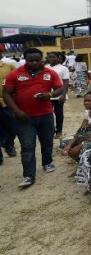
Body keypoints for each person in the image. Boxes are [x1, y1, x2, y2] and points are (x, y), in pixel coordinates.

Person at [2, 48, 63, 187]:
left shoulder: (50, 73)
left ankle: (47, 162)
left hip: (46, 115)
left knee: (47, 142)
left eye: (37, 60)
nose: (34, 63)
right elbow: (6, 94)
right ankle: (29, 175)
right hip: (24, 118)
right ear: (25, 60)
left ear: (42, 59)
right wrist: (17, 112)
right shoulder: (15, 74)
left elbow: (59, 88)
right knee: (27, 146)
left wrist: (49, 95)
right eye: (30, 60)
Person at [46, 52, 70, 139]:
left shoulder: (63, 68)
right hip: (47, 95)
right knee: (48, 114)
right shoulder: (45, 68)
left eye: (53, 57)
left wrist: (63, 94)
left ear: (58, 58)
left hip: (59, 95)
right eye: (49, 57)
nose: (51, 59)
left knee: (58, 113)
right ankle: (50, 130)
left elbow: (66, 82)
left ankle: (59, 131)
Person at [0, 58, 18, 161]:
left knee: (13, 128)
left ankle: (8, 144)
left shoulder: (9, 66)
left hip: (7, 102)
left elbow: (17, 83)